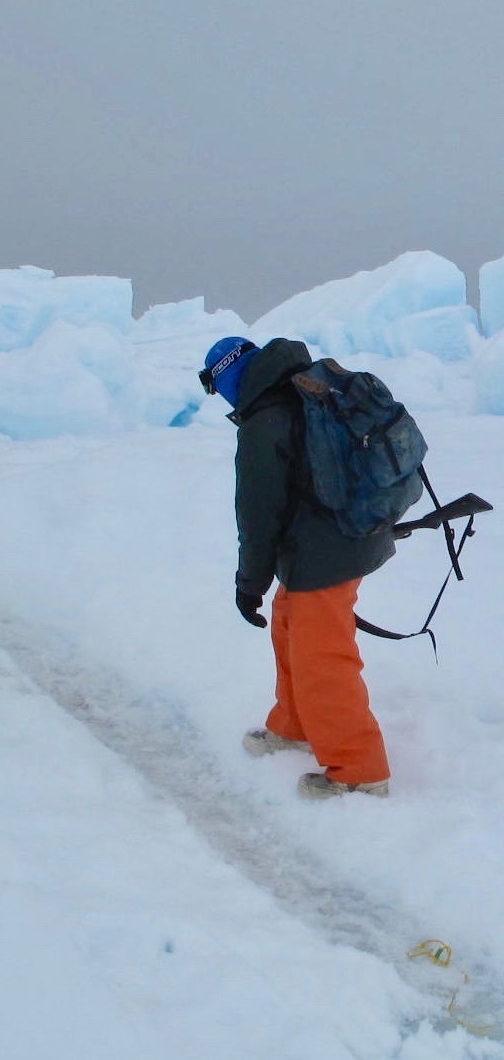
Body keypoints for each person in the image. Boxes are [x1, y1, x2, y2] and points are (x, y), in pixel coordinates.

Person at [200, 336, 393, 799]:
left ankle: (360, 772)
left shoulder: (266, 417)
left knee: (321, 658)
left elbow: (258, 511)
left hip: (326, 552)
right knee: (290, 629)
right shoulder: (307, 389)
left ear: (226, 375)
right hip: (347, 536)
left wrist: (250, 584)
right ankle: (293, 724)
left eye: (213, 386)